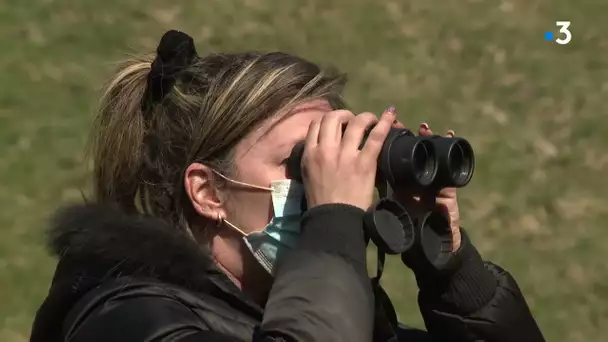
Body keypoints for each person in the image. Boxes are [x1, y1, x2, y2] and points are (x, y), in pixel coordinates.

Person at [30, 30, 545, 342]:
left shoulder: (333, 316)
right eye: (301, 160)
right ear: (208, 191)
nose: (330, 182)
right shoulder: (130, 321)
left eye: (333, 152)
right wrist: (334, 225)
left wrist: (452, 272)